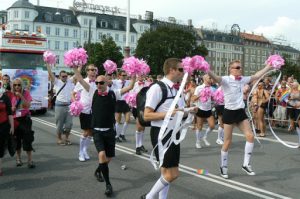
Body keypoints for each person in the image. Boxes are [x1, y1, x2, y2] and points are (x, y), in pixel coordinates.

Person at [73, 67, 135, 196]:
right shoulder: (92, 91)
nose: (98, 85)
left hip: (110, 131)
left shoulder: (114, 93)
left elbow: (129, 88)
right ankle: (108, 184)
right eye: (97, 83)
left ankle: (98, 170)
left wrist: (134, 74)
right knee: (101, 155)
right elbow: (79, 79)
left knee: (109, 157)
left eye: (101, 83)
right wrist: (75, 67)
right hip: (97, 131)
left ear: (107, 83)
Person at [207, 60, 272, 179]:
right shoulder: (226, 79)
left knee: (250, 136)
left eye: (240, 67)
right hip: (229, 112)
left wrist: (268, 66)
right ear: (230, 69)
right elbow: (215, 77)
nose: (239, 69)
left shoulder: (242, 79)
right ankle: (224, 166)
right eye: (237, 67)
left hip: (240, 111)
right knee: (227, 142)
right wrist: (205, 68)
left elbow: (257, 75)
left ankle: (246, 164)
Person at [142, 58, 195, 199]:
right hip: (161, 133)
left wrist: (189, 111)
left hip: (174, 134)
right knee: (172, 174)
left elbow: (179, 112)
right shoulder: (157, 88)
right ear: (172, 70)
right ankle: (149, 197)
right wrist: (169, 114)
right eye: (180, 69)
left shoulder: (177, 89)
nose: (183, 73)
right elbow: (147, 115)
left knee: (166, 172)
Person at [72, 64, 97, 162]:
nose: (93, 71)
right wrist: (75, 103)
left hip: (94, 111)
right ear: (87, 71)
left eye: (94, 69)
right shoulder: (83, 81)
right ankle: (80, 152)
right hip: (85, 110)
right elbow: (73, 93)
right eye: (90, 69)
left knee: (91, 132)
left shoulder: (98, 82)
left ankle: (85, 150)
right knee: (86, 132)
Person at [47, 64, 75, 145]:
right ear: (59, 77)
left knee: (69, 124)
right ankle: (59, 138)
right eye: (63, 76)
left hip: (69, 106)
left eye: (66, 76)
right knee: (59, 124)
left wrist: (80, 65)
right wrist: (48, 64)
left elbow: (77, 74)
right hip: (59, 106)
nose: (65, 77)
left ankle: (66, 138)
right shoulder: (56, 82)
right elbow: (50, 73)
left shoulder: (70, 81)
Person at [11, 78, 35, 168]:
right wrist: (12, 108)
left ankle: (30, 160)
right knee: (17, 140)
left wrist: (21, 96)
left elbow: (28, 105)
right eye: (15, 85)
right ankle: (18, 159)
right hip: (15, 120)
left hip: (25, 119)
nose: (17, 87)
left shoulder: (26, 93)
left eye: (19, 85)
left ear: (22, 85)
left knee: (27, 139)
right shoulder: (9, 95)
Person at [192, 74, 215, 148]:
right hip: (200, 108)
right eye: (209, 78)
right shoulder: (199, 88)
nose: (211, 79)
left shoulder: (212, 88)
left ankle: (204, 137)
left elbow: (213, 98)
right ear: (204, 79)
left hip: (208, 109)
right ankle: (198, 142)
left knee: (212, 126)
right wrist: (201, 95)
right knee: (199, 126)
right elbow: (193, 99)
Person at [0, 84, 14, 176]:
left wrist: (12, 126)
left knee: (0, 146)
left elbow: (9, 113)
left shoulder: (4, 97)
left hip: (3, 126)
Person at [132, 75, 148, 155]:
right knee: (139, 126)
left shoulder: (147, 84)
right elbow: (131, 95)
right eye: (140, 75)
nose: (141, 77)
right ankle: (137, 146)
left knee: (143, 126)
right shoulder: (134, 84)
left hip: (144, 107)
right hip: (136, 107)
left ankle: (141, 144)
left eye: (143, 75)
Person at [113, 71, 131, 142]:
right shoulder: (115, 81)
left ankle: (122, 134)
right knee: (118, 119)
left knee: (128, 118)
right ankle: (116, 135)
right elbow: (108, 81)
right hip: (118, 102)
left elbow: (134, 81)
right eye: (123, 75)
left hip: (126, 102)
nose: (124, 76)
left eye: (125, 75)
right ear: (119, 76)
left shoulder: (128, 82)